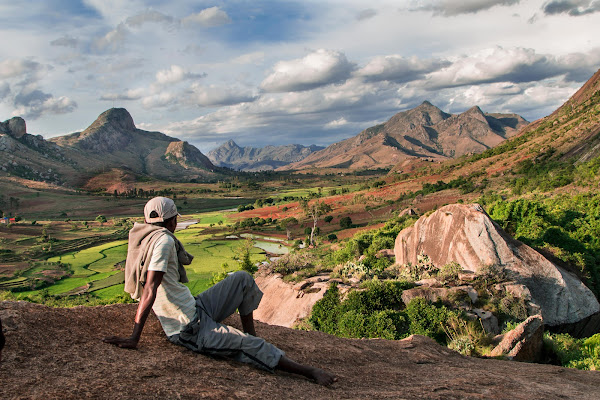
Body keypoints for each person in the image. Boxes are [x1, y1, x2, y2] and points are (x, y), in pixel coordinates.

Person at [103, 197, 336, 386]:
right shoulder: (163, 242)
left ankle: (251, 334)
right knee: (251, 347)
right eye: (175, 219)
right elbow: (150, 288)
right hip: (188, 328)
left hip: (195, 307)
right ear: (172, 221)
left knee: (242, 279)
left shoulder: (147, 238)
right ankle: (310, 372)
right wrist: (135, 337)